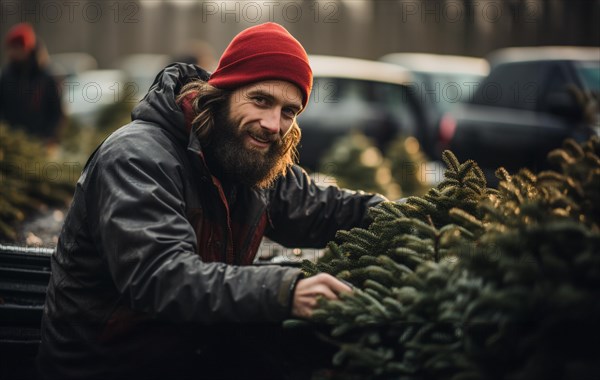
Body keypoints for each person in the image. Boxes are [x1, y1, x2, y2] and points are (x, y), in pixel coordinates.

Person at [37, 22, 386, 379]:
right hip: (110, 364)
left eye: (288, 111)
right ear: (223, 92)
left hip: (192, 352)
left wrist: (417, 216)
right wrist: (286, 290)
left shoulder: (247, 158)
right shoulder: (137, 158)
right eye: (261, 100)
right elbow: (162, 277)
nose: (272, 123)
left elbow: (327, 209)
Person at [0, 23, 63, 145]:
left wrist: (49, 138)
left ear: (26, 48)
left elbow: (57, 112)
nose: (12, 52)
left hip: (40, 144)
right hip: (12, 144)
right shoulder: (7, 75)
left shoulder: (47, 77)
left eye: (16, 48)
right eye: (10, 48)